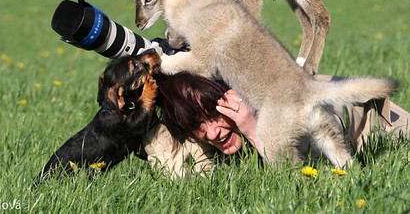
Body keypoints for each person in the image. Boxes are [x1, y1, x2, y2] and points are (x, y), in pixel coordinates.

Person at [141, 72, 410, 178]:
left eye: (214, 115)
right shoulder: (206, 129)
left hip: (380, 123)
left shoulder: (283, 107)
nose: (212, 132)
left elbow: (300, 176)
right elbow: (183, 179)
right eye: (198, 126)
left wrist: (253, 129)